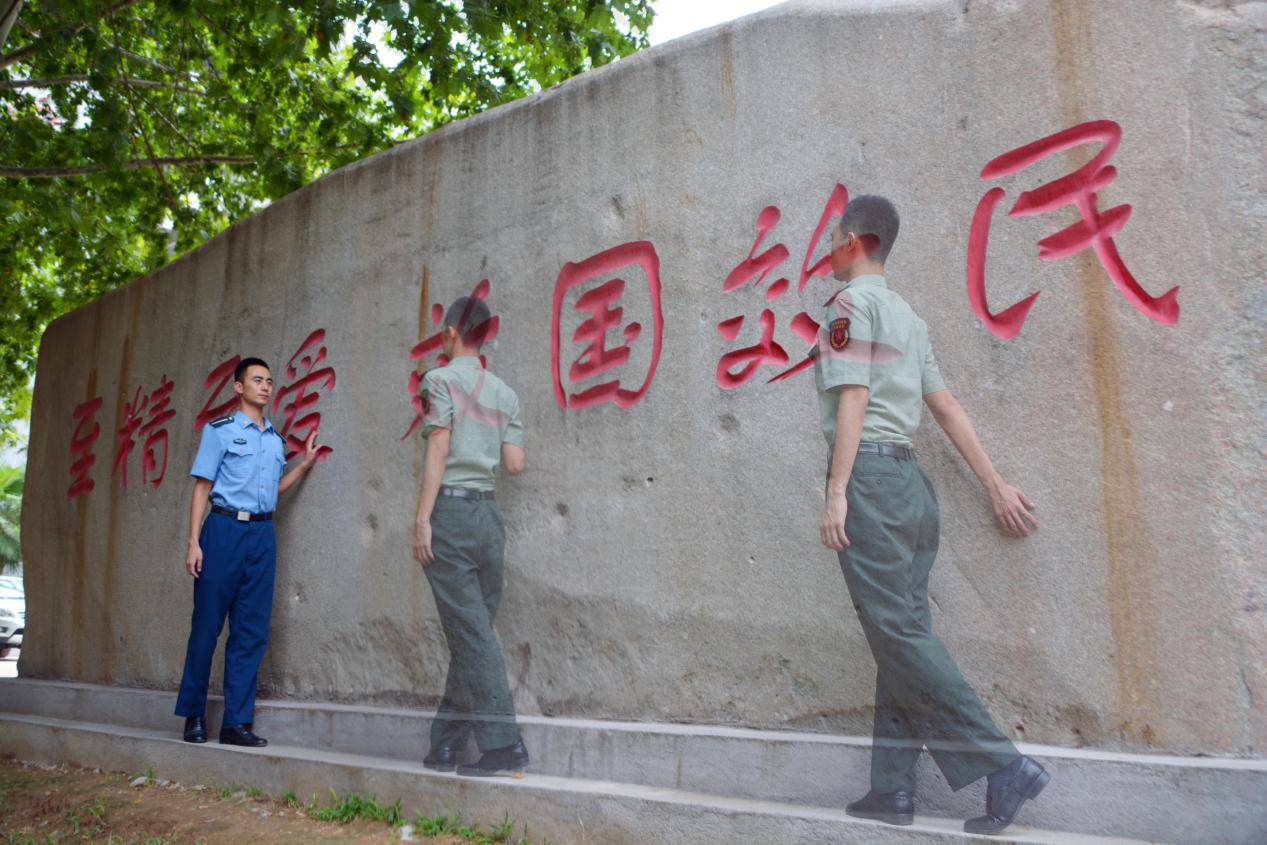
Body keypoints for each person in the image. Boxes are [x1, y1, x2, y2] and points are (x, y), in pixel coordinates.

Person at [814, 195, 1048, 835]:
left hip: (872, 482)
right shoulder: (909, 318)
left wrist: (837, 491)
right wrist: (994, 483)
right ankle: (891, 787)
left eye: (833, 238)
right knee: (900, 634)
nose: (827, 250)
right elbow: (944, 406)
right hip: (912, 487)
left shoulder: (848, 307)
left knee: (898, 632)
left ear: (854, 240)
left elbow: (853, 394)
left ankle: (1004, 765)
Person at [174, 357, 320, 747]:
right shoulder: (219, 431)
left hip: (262, 535)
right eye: (257, 380)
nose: (265, 386)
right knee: (206, 627)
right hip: (223, 531)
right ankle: (193, 715)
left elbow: (272, 491)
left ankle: (236, 723)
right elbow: (202, 487)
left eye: (269, 381)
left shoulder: (274, 440)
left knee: (251, 631)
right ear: (239, 387)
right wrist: (193, 542)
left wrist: (303, 465)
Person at [411, 296, 529, 778]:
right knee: (472, 634)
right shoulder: (505, 392)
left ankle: (504, 745)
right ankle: (445, 742)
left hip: (453, 516)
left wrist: (423, 519)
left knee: (472, 636)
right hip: (489, 518)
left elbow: (439, 446)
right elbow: (515, 464)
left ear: (451, 334)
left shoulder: (439, 380)